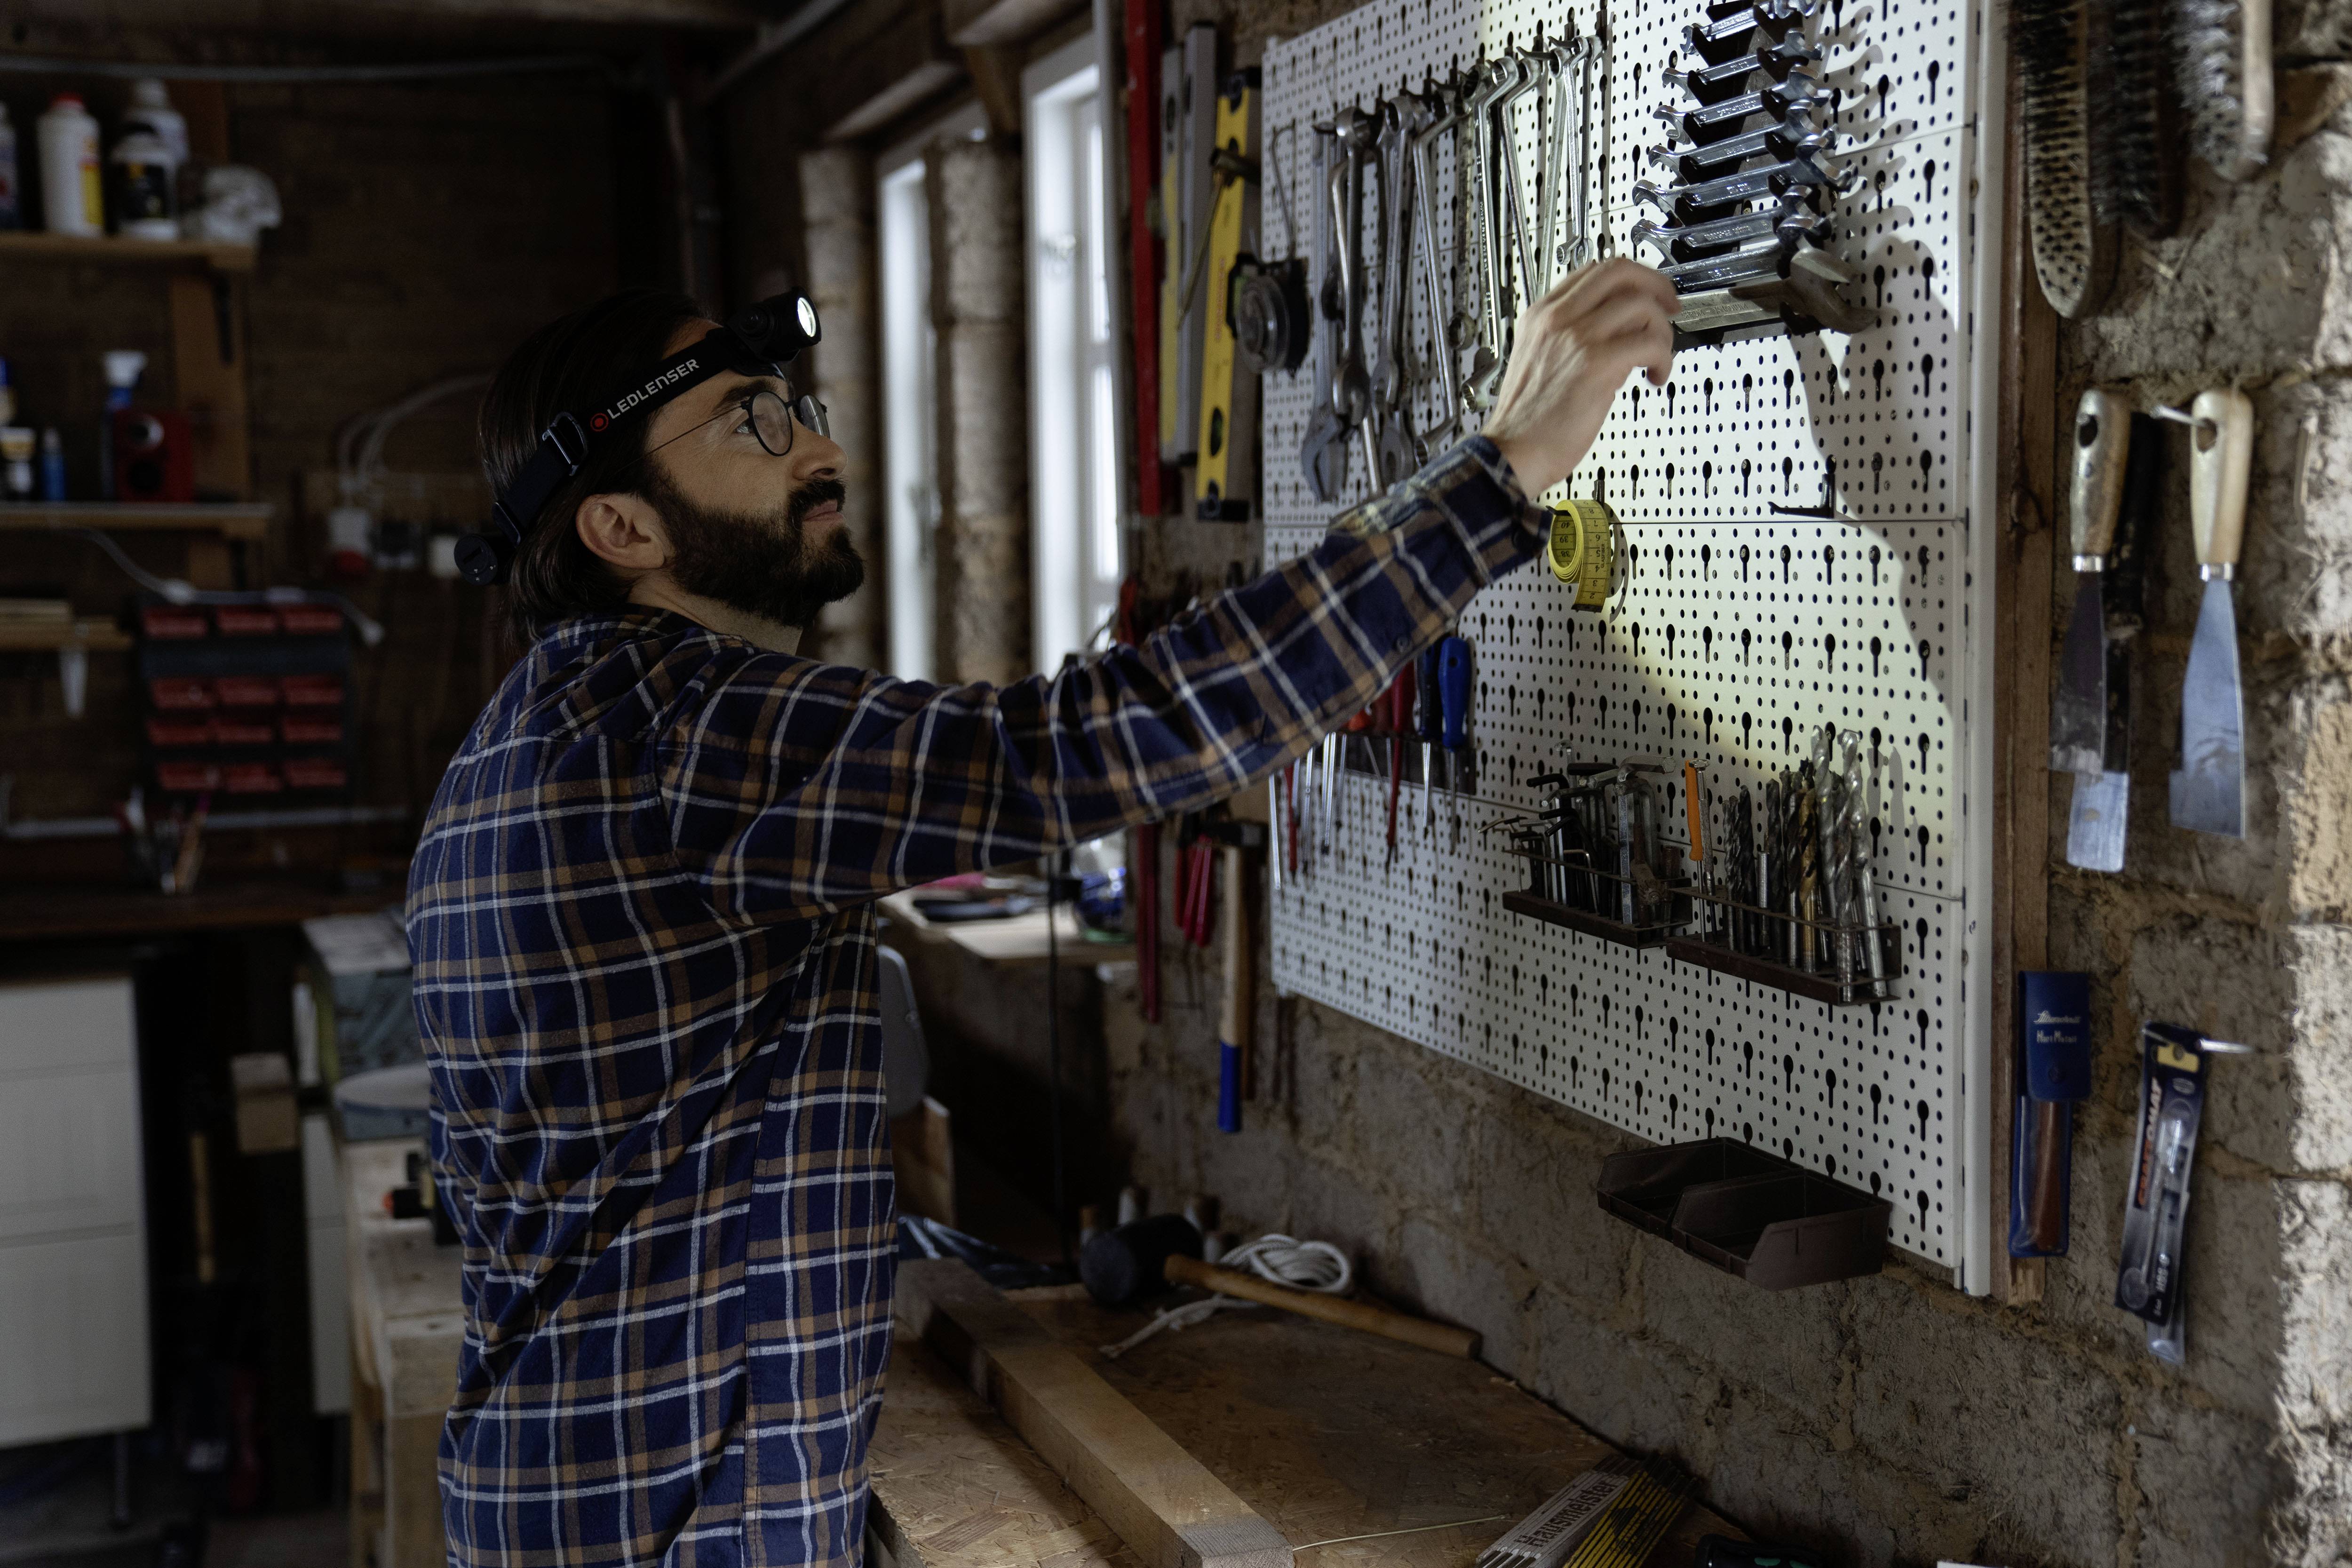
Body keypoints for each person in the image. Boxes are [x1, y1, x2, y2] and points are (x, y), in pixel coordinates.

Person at [407, 259, 1678, 1568]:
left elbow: (662, 1157)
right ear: (623, 530)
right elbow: (1099, 742)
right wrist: (1502, 464)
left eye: (798, 404)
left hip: (577, 1499)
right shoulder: (677, 734)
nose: (822, 446)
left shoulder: (526, 746)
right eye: (754, 421)